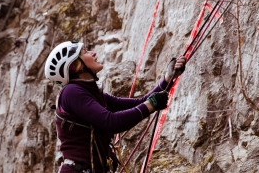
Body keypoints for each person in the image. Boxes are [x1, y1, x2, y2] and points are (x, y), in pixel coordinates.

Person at [45, 41, 186, 173]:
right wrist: (151, 105)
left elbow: (140, 102)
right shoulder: (71, 93)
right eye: (86, 52)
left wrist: (168, 78)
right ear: (75, 66)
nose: (93, 53)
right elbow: (111, 122)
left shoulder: (91, 93)